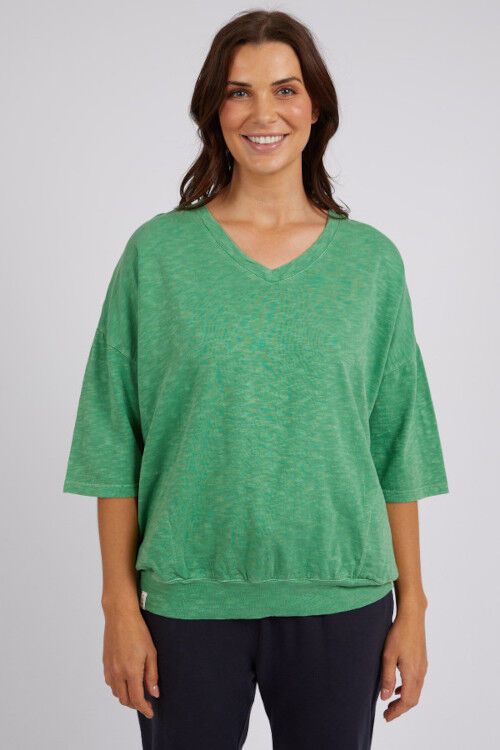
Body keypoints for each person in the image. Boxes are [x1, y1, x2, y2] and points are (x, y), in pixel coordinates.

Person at [62, 9, 450, 749]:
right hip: (185, 603)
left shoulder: (370, 263)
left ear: (316, 109)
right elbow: (113, 438)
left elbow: (398, 443)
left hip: (343, 599)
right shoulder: (158, 255)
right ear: (215, 109)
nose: (263, 113)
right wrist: (118, 605)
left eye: (286, 89)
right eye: (239, 92)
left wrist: (415, 610)